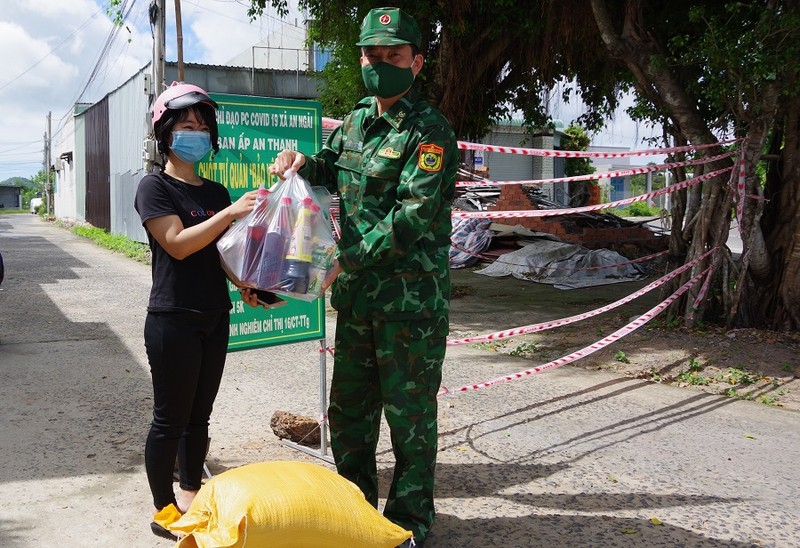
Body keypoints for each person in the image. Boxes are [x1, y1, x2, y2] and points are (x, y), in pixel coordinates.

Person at [268, 7, 458, 546]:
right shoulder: (354, 122)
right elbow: (331, 165)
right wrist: (299, 160)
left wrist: (343, 260)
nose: (380, 65)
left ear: (416, 62)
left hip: (409, 307)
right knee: (349, 419)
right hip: (355, 303)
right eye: (372, 55)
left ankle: (408, 525)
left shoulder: (430, 130)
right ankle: (353, 520)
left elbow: (413, 217)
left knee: (410, 423)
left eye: (392, 56)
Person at [134, 82, 261, 541]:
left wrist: (243, 283)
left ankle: (191, 493)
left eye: (203, 126)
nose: (196, 133)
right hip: (173, 319)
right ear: (165, 132)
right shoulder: (154, 187)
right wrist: (228, 214)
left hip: (213, 314)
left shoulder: (215, 189)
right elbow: (178, 244)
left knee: (199, 416)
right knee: (169, 418)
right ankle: (164, 509)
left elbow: (217, 252)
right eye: (186, 125)